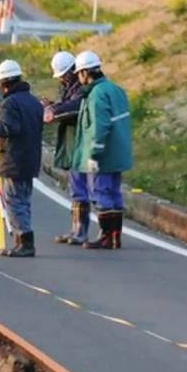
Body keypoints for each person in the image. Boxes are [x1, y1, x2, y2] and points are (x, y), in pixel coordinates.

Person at [0, 59, 44, 257]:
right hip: (31, 160)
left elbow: (7, 129)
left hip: (14, 161)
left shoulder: (10, 103)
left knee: (13, 201)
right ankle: (24, 240)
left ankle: (24, 242)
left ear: (4, 82)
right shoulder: (33, 101)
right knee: (24, 201)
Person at [71, 50, 132, 250]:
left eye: (79, 74)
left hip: (103, 154)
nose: (79, 79)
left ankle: (106, 236)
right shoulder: (116, 89)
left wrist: (93, 154)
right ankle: (116, 236)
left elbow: (99, 126)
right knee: (115, 193)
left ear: (85, 73)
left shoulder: (96, 94)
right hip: (119, 152)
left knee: (102, 193)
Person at [41, 51, 89, 245]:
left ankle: (80, 231)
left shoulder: (82, 88)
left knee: (81, 189)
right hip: (73, 144)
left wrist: (53, 110)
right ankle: (76, 229)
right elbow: (66, 104)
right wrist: (52, 105)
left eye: (63, 74)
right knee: (76, 188)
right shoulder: (70, 86)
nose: (61, 78)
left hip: (79, 144)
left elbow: (74, 106)